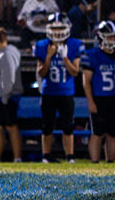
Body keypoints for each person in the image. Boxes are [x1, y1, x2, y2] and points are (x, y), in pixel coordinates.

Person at [82, 21, 115, 163]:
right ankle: (95, 162)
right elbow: (86, 81)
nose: (113, 40)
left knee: (112, 134)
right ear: (100, 38)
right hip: (99, 98)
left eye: (114, 37)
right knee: (97, 133)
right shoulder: (92, 55)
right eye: (109, 37)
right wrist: (91, 101)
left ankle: (110, 162)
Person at [34, 13, 82, 163]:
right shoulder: (42, 45)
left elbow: (75, 72)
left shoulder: (74, 44)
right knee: (47, 126)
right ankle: (46, 156)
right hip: (48, 92)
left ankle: (70, 157)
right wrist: (48, 57)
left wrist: (65, 58)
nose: (57, 31)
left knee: (68, 126)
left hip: (66, 92)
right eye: (54, 28)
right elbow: (41, 73)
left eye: (60, 27)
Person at [0, 28, 23, 163]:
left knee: (10, 126)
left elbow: (8, 79)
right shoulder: (8, 53)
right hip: (3, 98)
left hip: (5, 98)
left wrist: (5, 98)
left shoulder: (6, 55)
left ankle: (16, 158)